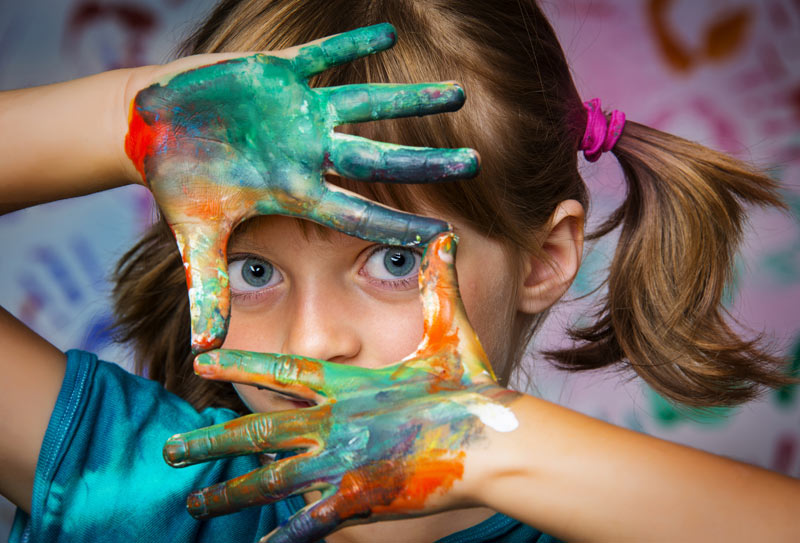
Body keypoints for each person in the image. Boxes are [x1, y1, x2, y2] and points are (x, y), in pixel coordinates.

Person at [1, 0, 799, 542]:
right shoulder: (136, 487)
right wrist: (136, 121)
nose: (314, 338)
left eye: (392, 258)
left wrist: (487, 443)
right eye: (252, 269)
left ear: (548, 259)